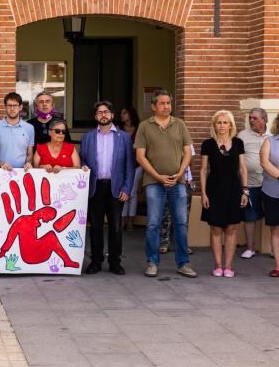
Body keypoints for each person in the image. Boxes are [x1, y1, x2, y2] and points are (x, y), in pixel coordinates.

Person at [135, 89, 196, 278]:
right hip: (153, 182)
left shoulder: (180, 125)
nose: (166, 106)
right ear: (153, 106)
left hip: (178, 182)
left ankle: (183, 263)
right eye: (162, 103)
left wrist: (180, 173)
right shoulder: (145, 126)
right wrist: (158, 176)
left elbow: (188, 152)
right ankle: (152, 262)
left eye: (168, 103)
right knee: (153, 224)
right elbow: (140, 156)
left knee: (181, 223)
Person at [79, 101, 134, 275]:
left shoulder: (124, 137)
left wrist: (127, 188)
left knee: (115, 227)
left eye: (106, 112)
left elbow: (129, 166)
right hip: (95, 187)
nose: (103, 115)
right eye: (99, 112)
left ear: (112, 115)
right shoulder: (87, 137)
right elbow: (82, 160)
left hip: (116, 188)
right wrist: (83, 166)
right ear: (95, 117)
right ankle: (95, 261)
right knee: (95, 227)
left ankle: (115, 262)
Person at [200, 110, 248, 278]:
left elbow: (242, 168)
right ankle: (218, 266)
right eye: (219, 122)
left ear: (231, 125)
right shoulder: (207, 144)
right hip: (214, 189)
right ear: (214, 125)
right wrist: (204, 193)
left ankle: (228, 266)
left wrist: (245, 191)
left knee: (232, 228)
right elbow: (204, 169)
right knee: (215, 228)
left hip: (234, 189)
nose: (222, 125)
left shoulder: (238, 143)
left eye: (225, 122)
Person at [239, 107, 271, 259]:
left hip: (269, 183)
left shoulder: (272, 137)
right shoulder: (243, 136)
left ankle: (273, 249)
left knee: (273, 216)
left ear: (264, 120)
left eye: (255, 118)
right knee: (249, 216)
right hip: (249, 183)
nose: (251, 120)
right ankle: (250, 248)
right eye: (250, 118)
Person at [0, 92, 35, 171]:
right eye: (9, 105)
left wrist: (28, 163)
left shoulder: (29, 128)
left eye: (15, 105)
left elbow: (29, 154)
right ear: (5, 107)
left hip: (22, 173)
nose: (12, 108)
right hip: (1, 172)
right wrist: (1, 164)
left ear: (20, 107)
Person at [259, 115, 279, 277]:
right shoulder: (270, 141)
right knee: (276, 230)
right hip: (272, 192)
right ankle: (278, 267)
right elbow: (264, 162)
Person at [119, 106, 142, 231]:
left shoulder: (139, 129)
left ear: (130, 114)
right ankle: (122, 221)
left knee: (132, 193)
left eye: (124, 112)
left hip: (136, 165)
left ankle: (130, 221)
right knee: (123, 192)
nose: (122, 115)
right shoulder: (118, 129)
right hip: (122, 166)